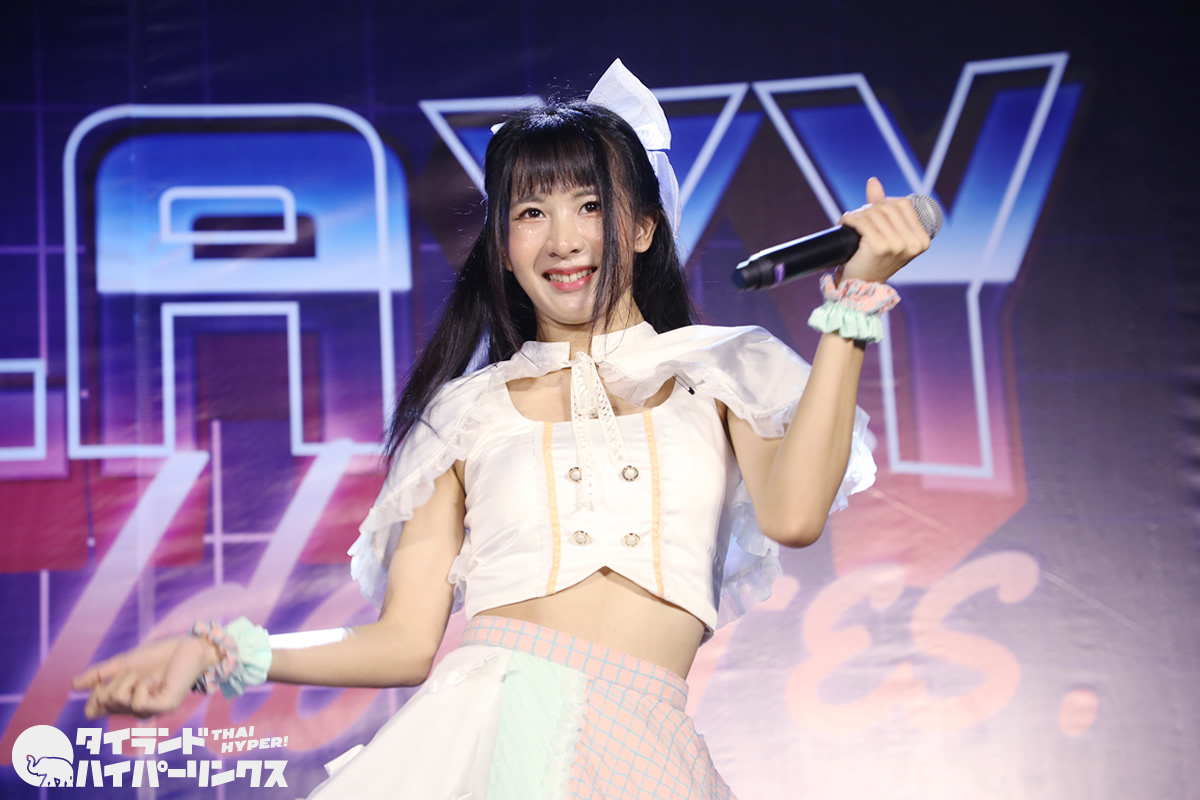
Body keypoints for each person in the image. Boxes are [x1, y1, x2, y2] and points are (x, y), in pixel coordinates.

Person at [72, 60, 931, 798]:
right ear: (504, 243)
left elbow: (794, 516)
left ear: (642, 226)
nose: (563, 239)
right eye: (530, 213)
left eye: (590, 205)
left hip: (647, 741)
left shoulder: (721, 371)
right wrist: (218, 653)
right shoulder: (464, 414)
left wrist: (853, 306)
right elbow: (404, 642)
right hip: (485, 725)